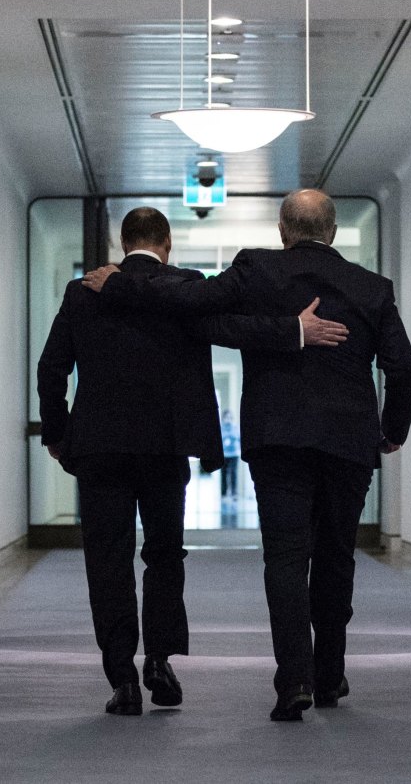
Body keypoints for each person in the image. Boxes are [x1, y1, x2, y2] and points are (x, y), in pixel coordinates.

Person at [82, 189, 411, 721]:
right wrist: (391, 430)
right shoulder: (372, 287)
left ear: (283, 231)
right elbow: (402, 367)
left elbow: (195, 310)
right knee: (336, 556)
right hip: (348, 443)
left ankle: (295, 682)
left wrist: (123, 284)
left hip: (277, 437)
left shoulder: (256, 269)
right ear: (330, 232)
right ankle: (329, 674)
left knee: (285, 558)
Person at [38, 205, 350, 717]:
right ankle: (159, 660)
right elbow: (235, 328)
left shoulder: (83, 292)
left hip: (100, 448)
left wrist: (56, 432)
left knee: (107, 560)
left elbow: (52, 368)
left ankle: (122, 680)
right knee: (164, 554)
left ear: (124, 243)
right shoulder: (184, 288)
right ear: (166, 245)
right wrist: (293, 330)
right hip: (166, 447)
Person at [220, 409, 240, 499]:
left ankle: (234, 493)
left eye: (230, 417)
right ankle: (223, 493)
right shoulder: (221, 428)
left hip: (234, 454)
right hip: (224, 455)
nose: (228, 419)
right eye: (226, 417)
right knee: (224, 474)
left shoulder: (235, 427)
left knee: (233, 473)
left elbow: (238, 438)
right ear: (223, 418)